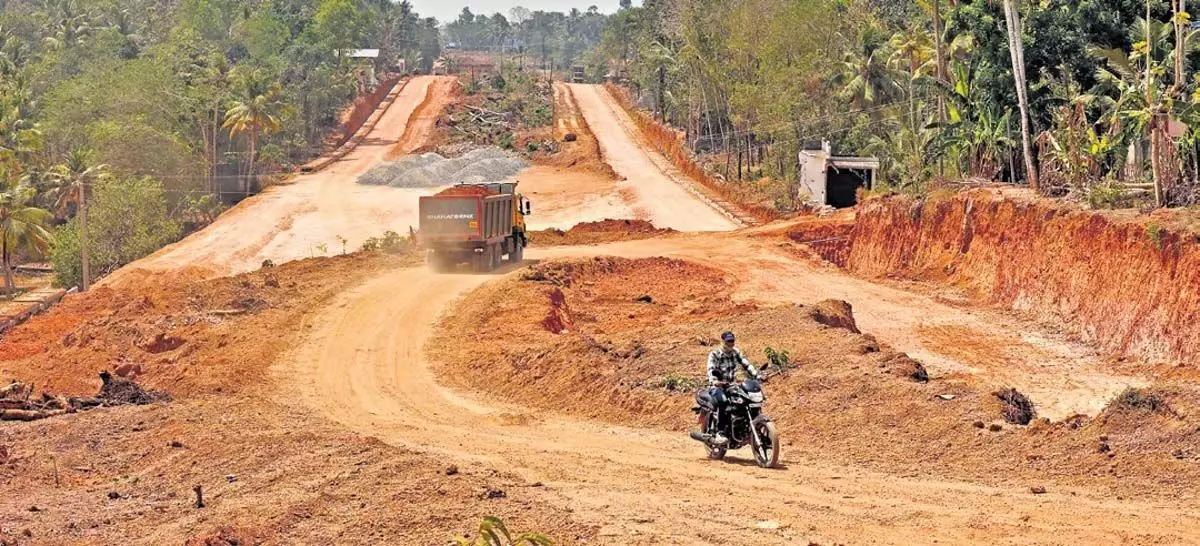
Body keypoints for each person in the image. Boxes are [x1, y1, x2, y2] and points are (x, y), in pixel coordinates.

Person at [704, 331, 759, 445]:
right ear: (722, 342)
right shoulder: (715, 354)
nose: (731, 343)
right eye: (728, 341)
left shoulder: (736, 352)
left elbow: (746, 364)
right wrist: (715, 381)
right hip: (717, 387)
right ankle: (720, 433)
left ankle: (748, 429)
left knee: (747, 400)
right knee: (723, 402)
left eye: (732, 341)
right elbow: (711, 370)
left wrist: (757, 375)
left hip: (732, 385)